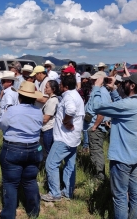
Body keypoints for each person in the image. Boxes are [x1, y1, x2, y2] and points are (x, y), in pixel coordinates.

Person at [91, 73, 137, 218]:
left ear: (132, 86)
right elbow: (122, 105)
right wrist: (113, 90)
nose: (123, 85)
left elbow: (96, 107)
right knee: (135, 192)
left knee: (119, 196)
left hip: (122, 158)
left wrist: (96, 88)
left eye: (125, 83)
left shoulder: (128, 105)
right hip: (135, 156)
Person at [0, 81, 43, 219]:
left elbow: (2, 125)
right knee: (30, 180)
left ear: (20, 96)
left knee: (10, 183)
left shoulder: (12, 110)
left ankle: (8, 215)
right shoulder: (39, 112)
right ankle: (34, 211)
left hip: (13, 148)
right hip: (34, 148)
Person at [42, 74, 84, 202]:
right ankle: (68, 192)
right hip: (74, 137)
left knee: (50, 164)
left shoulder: (68, 97)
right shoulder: (76, 95)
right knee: (69, 165)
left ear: (64, 87)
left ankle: (54, 193)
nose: (59, 86)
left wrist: (66, 121)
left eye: (60, 84)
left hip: (64, 138)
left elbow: (70, 110)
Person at [85, 71, 111, 181]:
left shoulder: (102, 92)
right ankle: (98, 173)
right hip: (93, 125)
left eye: (95, 79)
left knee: (97, 151)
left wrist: (95, 126)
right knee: (95, 151)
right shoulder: (99, 91)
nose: (92, 81)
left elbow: (101, 111)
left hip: (96, 127)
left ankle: (100, 176)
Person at [41, 80, 60, 158]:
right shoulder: (50, 99)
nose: (45, 89)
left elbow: (46, 119)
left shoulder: (53, 101)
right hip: (46, 128)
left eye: (47, 87)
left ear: (53, 89)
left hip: (48, 129)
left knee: (48, 151)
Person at [78, 72, 92, 153]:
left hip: (86, 111)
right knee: (86, 128)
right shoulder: (90, 89)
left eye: (83, 78)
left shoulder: (85, 90)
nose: (82, 80)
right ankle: (87, 145)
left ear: (87, 79)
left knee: (85, 128)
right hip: (87, 110)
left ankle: (86, 146)